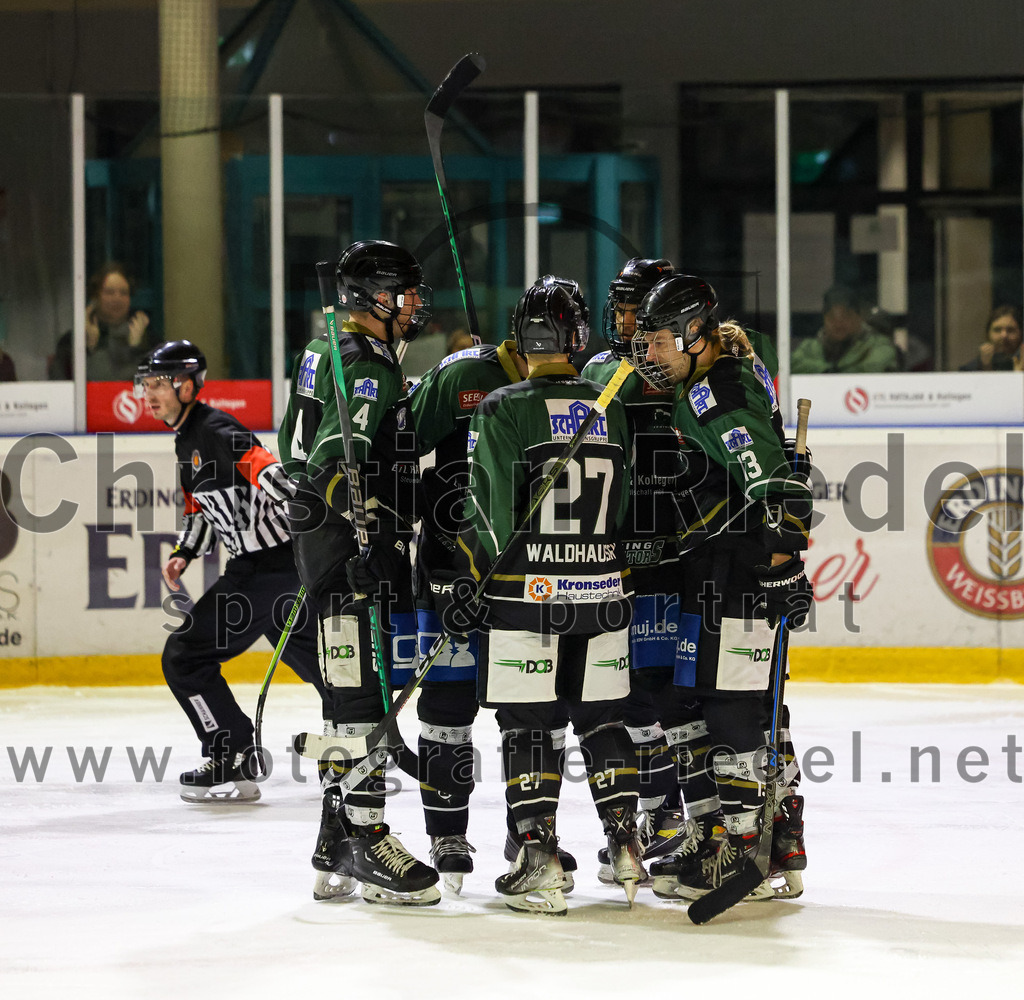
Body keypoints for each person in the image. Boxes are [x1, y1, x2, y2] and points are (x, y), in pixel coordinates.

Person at [458, 282, 644, 915]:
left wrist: (472, 579)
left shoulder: (501, 407)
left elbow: (488, 511)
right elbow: (619, 506)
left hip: (524, 597)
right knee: (602, 720)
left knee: (529, 725)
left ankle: (537, 856)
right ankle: (625, 845)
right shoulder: (610, 404)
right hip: (601, 589)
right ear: (577, 339)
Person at [632, 274, 813, 901]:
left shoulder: (719, 392)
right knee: (706, 700)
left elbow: (775, 484)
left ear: (691, 333)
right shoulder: (701, 387)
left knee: (735, 707)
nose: (648, 352)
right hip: (714, 570)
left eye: (656, 339)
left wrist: (785, 563)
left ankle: (742, 848)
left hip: (742, 572)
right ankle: (761, 836)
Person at [407, 275, 584, 895]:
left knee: (535, 707)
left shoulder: (569, 392)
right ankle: (447, 832)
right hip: (453, 571)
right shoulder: (463, 376)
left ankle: (529, 830)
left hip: (531, 579)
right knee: (448, 704)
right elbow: (402, 442)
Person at [278, 240, 440, 907]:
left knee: (348, 689)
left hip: (327, 539)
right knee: (359, 694)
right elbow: (327, 463)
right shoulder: (368, 363)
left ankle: (334, 835)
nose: (415, 304)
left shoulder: (321, 349)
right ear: (374, 296)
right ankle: (364, 838)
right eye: (405, 293)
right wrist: (361, 539)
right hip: (345, 544)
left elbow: (295, 452)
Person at [134, 340, 327, 803]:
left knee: (185, 657)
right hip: (279, 566)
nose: (149, 393)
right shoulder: (186, 441)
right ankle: (360, 740)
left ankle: (232, 754)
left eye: (159, 384)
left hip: (267, 568)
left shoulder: (214, 426)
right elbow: (198, 508)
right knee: (316, 663)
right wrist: (186, 551)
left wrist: (294, 497)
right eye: (147, 385)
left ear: (186, 383)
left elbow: (258, 463)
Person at [582, 258, 695, 881]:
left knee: (634, 699)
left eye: (629, 307)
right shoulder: (696, 370)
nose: (622, 318)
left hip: (630, 563)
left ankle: (667, 816)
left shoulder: (609, 370)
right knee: (671, 696)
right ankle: (682, 818)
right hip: (682, 559)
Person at [52, 262, 153, 380]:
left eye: (124, 293)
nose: (117, 298)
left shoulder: (147, 340)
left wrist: (136, 349)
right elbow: (61, 382)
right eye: (109, 292)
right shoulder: (70, 341)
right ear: (95, 297)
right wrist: (87, 349)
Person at [791, 285, 899, 374]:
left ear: (859, 318)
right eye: (831, 317)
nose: (838, 323)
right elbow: (792, 364)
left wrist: (836, 373)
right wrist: (826, 370)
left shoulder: (878, 344)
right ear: (824, 319)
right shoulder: (810, 347)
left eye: (846, 316)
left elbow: (876, 366)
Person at [959, 305, 1022, 371]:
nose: (1004, 335)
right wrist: (985, 367)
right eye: (997, 330)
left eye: (1010, 330)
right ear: (987, 334)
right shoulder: (968, 370)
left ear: (1021, 334)